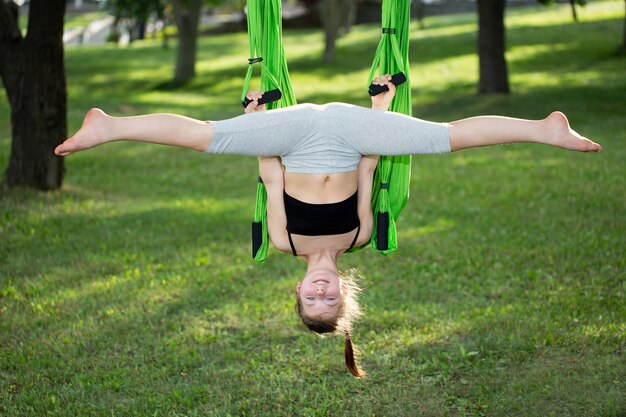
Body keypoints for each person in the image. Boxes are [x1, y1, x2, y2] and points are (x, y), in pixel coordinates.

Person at [54, 74, 602, 377]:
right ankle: (544, 129)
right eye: (329, 301)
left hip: (290, 137)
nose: (320, 293)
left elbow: (270, 177)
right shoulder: (358, 237)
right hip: (345, 133)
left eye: (310, 301)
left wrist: (254, 128)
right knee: (445, 137)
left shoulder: (282, 240)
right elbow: (368, 167)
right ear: (344, 292)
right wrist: (380, 112)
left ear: (297, 289)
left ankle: (110, 126)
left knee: (205, 137)